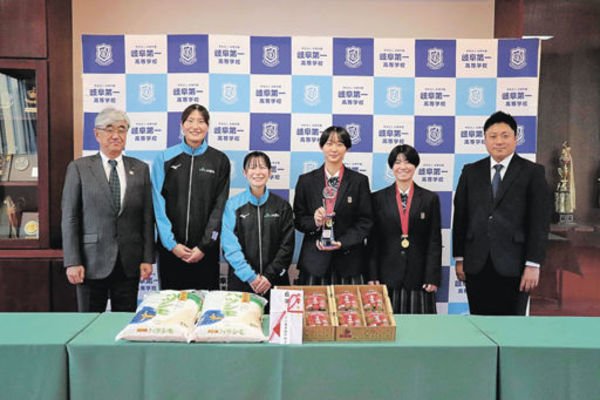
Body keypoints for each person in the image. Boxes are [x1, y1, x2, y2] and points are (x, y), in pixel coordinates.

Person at [453, 111, 551, 315]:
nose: (499, 141)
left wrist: (533, 264)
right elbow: (461, 216)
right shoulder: (470, 172)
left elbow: (539, 222)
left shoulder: (532, 172)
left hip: (515, 264)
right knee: (480, 324)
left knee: (511, 326)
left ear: (516, 139)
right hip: (477, 264)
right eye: (493, 136)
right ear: (485, 140)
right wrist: (459, 257)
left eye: (505, 136)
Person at [61, 108, 154, 312]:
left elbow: (147, 218)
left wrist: (147, 258)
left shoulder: (140, 169)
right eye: (109, 129)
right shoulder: (79, 168)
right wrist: (72, 261)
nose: (116, 135)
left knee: (123, 322)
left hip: (128, 262)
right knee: (88, 322)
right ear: (97, 134)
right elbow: (70, 218)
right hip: (90, 261)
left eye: (122, 129)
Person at [151, 104, 230, 290]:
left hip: (205, 252)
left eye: (201, 121)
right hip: (171, 250)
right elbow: (157, 204)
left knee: (205, 303)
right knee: (172, 303)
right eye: (190, 121)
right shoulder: (164, 158)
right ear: (182, 125)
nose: (195, 126)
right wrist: (171, 244)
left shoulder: (219, 160)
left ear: (208, 126)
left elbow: (219, 207)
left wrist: (205, 246)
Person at [293, 126, 373, 285]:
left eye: (340, 144)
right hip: (314, 262)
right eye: (329, 144)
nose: (334, 149)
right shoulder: (306, 181)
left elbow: (366, 221)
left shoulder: (359, 181)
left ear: (347, 148)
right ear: (321, 146)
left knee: (349, 301)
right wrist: (315, 221)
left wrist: (342, 242)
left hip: (349, 261)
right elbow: (299, 219)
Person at [368, 145, 441, 314]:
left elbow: (434, 240)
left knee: (419, 326)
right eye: (397, 162)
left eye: (408, 162)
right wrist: (372, 274)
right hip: (387, 274)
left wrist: (432, 276)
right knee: (388, 324)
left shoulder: (430, 199)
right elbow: (373, 241)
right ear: (391, 167)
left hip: (419, 276)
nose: (403, 167)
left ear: (415, 165)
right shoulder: (377, 198)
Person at [222, 151, 294, 299]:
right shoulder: (232, 205)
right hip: (243, 281)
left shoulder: (282, 206)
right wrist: (250, 276)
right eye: (252, 168)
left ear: (270, 172)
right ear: (244, 173)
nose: (257, 172)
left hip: (275, 281)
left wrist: (269, 276)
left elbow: (287, 246)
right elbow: (229, 246)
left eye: (262, 167)